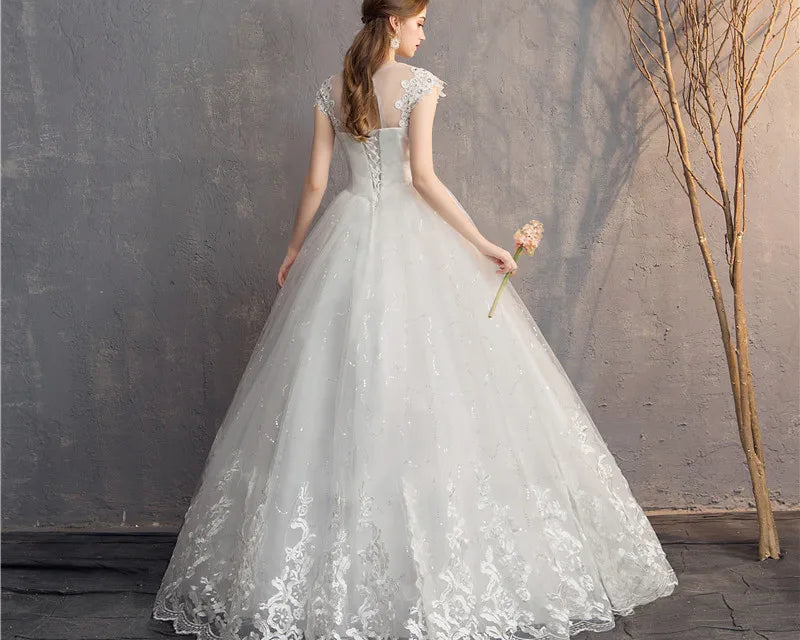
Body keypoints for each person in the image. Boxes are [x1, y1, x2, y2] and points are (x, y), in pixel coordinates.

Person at [152, 1, 678, 638]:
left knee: (333, 395)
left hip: (345, 237)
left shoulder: (333, 88)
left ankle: (331, 571)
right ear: (396, 22)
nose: (425, 34)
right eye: (421, 21)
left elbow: (316, 183)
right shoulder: (420, 86)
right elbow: (424, 178)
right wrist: (480, 242)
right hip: (411, 237)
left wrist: (293, 249)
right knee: (430, 391)